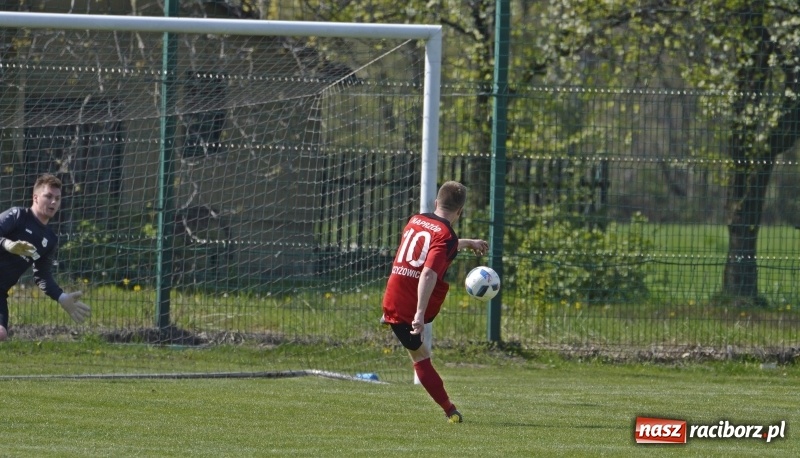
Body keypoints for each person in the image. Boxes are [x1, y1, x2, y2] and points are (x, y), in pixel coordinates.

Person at [382, 181, 489, 423]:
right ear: (460, 212)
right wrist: (418, 314)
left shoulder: (416, 219)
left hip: (395, 291)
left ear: (436, 203)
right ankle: (450, 410)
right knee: (421, 356)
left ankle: (390, 315)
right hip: (407, 304)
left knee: (420, 353)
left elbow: (435, 245)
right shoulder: (446, 236)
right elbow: (428, 273)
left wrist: (467, 242)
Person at [0, 173, 91, 341]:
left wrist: (62, 297)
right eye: (48, 196)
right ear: (35, 197)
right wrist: (7, 245)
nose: (54, 202)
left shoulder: (49, 240)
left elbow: (42, 275)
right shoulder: (17, 216)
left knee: (1, 334)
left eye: (57, 198)